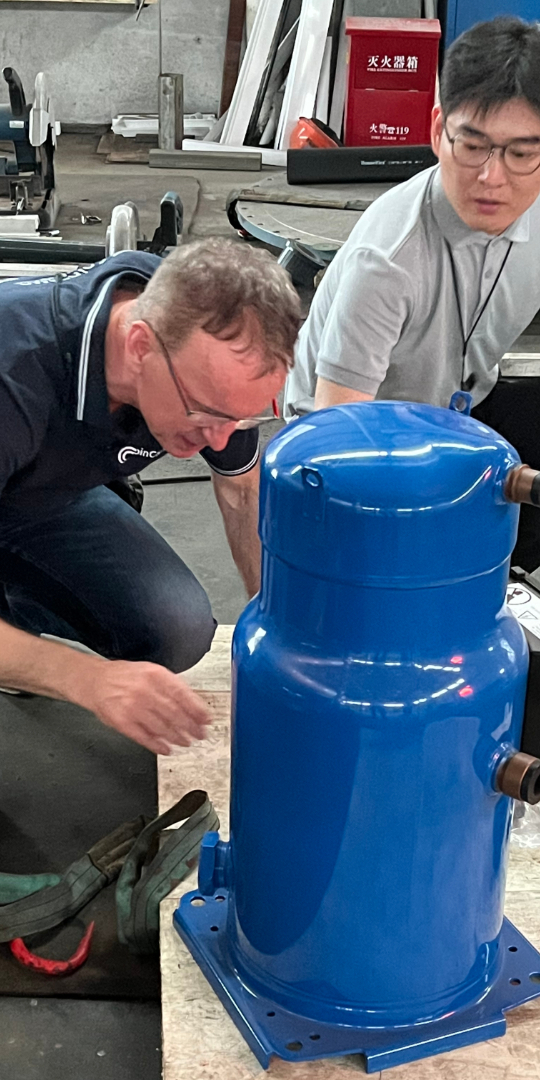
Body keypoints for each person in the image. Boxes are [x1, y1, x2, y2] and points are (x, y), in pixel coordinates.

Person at [0, 238, 300, 754]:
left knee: (175, 628)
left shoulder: (206, 344)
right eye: (205, 414)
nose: (220, 440)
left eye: (239, 420)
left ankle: (15, 620)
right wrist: (85, 678)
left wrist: (271, 631)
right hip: (15, 447)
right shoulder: (14, 379)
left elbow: (241, 490)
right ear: (139, 347)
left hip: (39, 491)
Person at [284, 15, 540, 571]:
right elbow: (336, 443)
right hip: (357, 434)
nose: (493, 177)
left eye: (522, 153)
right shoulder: (388, 260)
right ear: (437, 130)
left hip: (459, 403)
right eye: (473, 145)